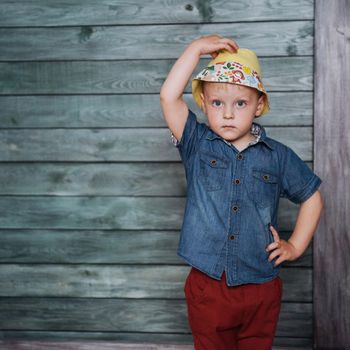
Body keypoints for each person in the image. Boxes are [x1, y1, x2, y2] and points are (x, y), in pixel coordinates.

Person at [159, 34, 324, 350]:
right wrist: (194, 49)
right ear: (204, 103)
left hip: (260, 284)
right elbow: (168, 97)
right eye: (217, 103)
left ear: (259, 105)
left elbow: (312, 196)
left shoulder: (278, 156)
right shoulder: (196, 143)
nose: (228, 114)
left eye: (241, 103)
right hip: (209, 284)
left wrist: (295, 246)